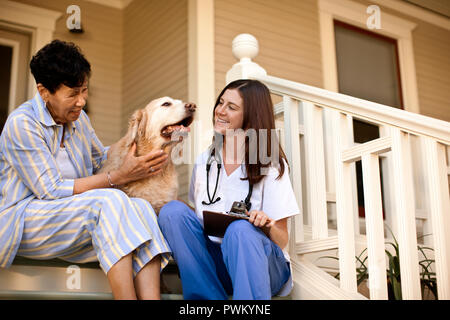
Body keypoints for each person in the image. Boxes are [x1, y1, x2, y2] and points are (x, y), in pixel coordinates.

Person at [0, 40, 171, 300]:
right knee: (111, 199)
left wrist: (143, 138)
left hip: (71, 217)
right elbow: (52, 190)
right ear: (44, 91)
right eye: (72, 94)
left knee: (141, 208)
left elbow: (100, 157)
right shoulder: (22, 124)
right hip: (23, 220)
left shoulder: (78, 119)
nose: (81, 101)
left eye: (85, 90)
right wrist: (119, 177)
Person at [158, 79, 300, 300]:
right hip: (217, 264)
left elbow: (282, 239)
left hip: (260, 265)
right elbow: (197, 217)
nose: (220, 111)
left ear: (251, 116)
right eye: (220, 102)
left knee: (239, 230)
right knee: (173, 211)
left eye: (231, 107)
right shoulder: (205, 160)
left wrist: (267, 224)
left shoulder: (270, 165)